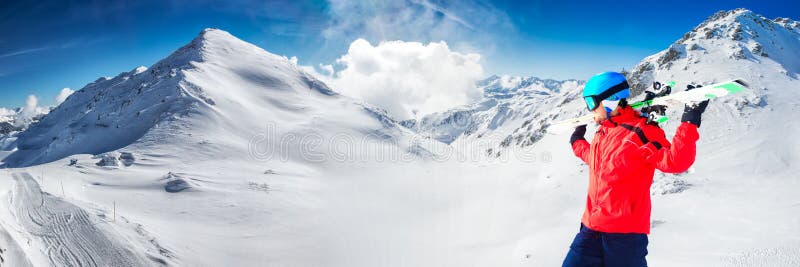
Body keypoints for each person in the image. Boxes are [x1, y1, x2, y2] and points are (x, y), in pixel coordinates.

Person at [562, 72, 709, 267]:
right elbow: (596, 160)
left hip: (624, 237)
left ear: (610, 100)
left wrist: (690, 119)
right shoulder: (604, 131)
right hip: (590, 229)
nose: (589, 109)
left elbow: (676, 161)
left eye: (591, 102)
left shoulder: (641, 132)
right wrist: (577, 140)